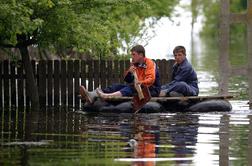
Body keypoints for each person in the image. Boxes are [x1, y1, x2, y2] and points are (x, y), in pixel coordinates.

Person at [80, 44, 161, 104]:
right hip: (139, 87)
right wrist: (129, 72)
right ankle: (92, 94)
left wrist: (140, 83)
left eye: (134, 54)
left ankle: (107, 96)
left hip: (152, 90)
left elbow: (151, 79)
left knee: (130, 88)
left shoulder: (150, 63)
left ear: (141, 55)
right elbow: (127, 80)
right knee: (116, 86)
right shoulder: (135, 64)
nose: (132, 57)